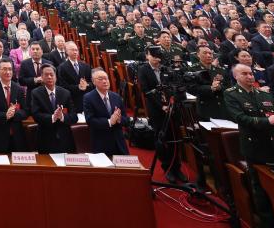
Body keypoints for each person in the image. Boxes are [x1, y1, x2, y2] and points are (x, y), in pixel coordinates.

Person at [224, 63, 274, 228]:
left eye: (251, 73)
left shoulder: (263, 94)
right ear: (236, 77)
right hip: (254, 145)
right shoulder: (231, 94)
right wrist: (268, 121)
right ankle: (268, 223)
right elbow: (240, 118)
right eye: (244, 74)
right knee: (260, 186)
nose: (249, 76)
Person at [138, 46, 187, 183]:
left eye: (157, 55)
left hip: (172, 107)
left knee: (175, 137)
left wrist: (172, 102)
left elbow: (175, 85)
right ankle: (167, 167)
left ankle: (177, 167)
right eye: (152, 55)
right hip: (156, 109)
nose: (156, 58)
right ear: (147, 56)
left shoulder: (166, 68)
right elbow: (146, 91)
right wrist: (161, 106)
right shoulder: (143, 70)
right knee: (162, 139)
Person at [0, 58, 29, 153]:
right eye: (4, 69)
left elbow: (25, 111)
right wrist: (5, 115)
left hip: (17, 136)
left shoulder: (19, 89)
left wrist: (13, 114)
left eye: (10, 69)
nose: (8, 72)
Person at [83, 68, 129, 155]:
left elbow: (126, 119)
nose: (105, 81)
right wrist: (109, 121)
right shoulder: (88, 98)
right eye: (100, 79)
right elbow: (90, 120)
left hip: (119, 142)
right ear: (93, 82)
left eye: (106, 78)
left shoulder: (116, 97)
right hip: (101, 142)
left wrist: (119, 119)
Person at [30, 64, 75, 154]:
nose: (49, 77)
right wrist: (52, 117)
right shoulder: (36, 93)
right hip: (45, 138)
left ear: (56, 77)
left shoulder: (65, 93)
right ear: (42, 77)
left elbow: (74, 117)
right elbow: (36, 115)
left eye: (52, 74)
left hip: (64, 138)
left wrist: (62, 117)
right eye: (46, 75)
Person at [191, 45, 229, 120]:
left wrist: (220, 87)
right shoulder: (192, 70)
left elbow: (228, 86)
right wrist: (210, 88)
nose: (209, 55)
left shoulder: (221, 70)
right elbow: (192, 88)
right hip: (205, 107)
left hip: (222, 107)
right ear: (198, 55)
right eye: (205, 53)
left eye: (210, 53)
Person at [56, 41, 91, 113]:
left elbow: (92, 83)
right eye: (72, 50)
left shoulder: (85, 66)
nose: (75, 52)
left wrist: (87, 85)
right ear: (66, 51)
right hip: (72, 100)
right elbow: (62, 86)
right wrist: (78, 87)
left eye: (76, 50)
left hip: (86, 100)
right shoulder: (62, 67)